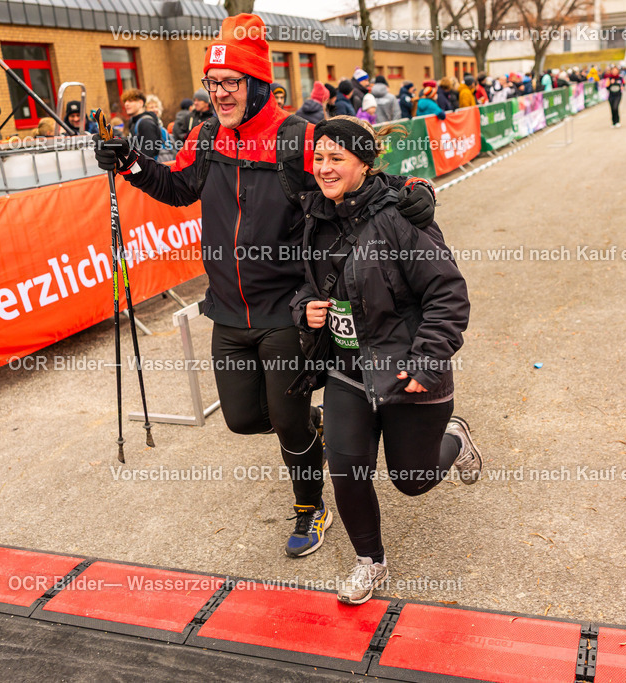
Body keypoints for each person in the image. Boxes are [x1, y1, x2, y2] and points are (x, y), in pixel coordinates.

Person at [93, 13, 437, 559]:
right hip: (228, 308)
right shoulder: (205, 137)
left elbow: (361, 173)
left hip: (286, 308)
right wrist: (132, 163)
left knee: (284, 421)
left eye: (232, 82)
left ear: (257, 84)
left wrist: (417, 191)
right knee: (242, 418)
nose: (221, 93)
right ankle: (313, 426)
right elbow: (179, 188)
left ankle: (310, 507)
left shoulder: (297, 138)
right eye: (213, 83)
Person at [291, 115, 480, 604]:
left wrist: (427, 362)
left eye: (337, 158)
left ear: (364, 164)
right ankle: (369, 561)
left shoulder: (400, 216)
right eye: (319, 157)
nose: (325, 168)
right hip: (347, 369)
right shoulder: (314, 214)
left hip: (406, 369)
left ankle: (454, 438)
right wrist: (303, 309)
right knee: (347, 469)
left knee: (412, 481)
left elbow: (448, 294)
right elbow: (309, 287)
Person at [121, 88, 163, 158]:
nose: (126, 104)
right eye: (125, 101)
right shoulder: (133, 121)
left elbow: (148, 155)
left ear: (141, 103)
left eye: (130, 101)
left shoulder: (146, 123)